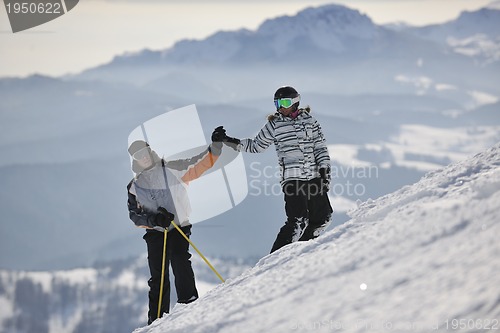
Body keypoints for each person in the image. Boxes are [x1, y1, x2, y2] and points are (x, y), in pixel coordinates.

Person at [215, 86, 333, 253]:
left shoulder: (310, 122)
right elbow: (256, 146)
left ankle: (304, 249)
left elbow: (320, 148)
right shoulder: (274, 125)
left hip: (314, 176)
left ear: (295, 102)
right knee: (298, 221)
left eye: (284, 102)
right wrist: (229, 141)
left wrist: (324, 172)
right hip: (293, 179)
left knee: (323, 218)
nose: (280, 107)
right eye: (277, 103)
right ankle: (276, 258)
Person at [126, 130, 222, 325]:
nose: (143, 157)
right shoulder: (135, 186)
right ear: (135, 160)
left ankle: (189, 303)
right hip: (156, 232)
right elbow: (135, 216)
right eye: (138, 156)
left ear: (150, 151)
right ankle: (156, 321)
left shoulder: (172, 168)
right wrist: (155, 220)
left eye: (144, 152)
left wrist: (216, 148)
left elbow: (199, 163)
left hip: (179, 226)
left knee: (179, 259)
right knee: (158, 276)